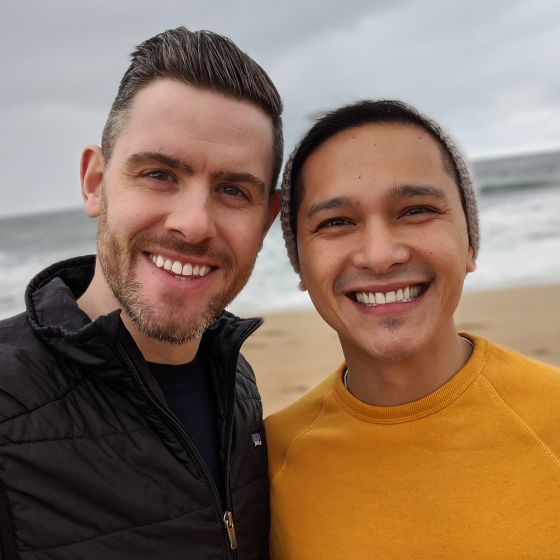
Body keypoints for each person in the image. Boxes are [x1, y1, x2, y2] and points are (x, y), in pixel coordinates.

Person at [0, 27, 282, 559]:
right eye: (159, 174)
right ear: (95, 183)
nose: (193, 224)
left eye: (232, 190)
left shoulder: (236, 380)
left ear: (266, 220)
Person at [266, 100, 560, 559]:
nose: (380, 255)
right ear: (300, 264)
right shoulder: (268, 464)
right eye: (336, 222)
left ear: (469, 241)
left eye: (416, 210)